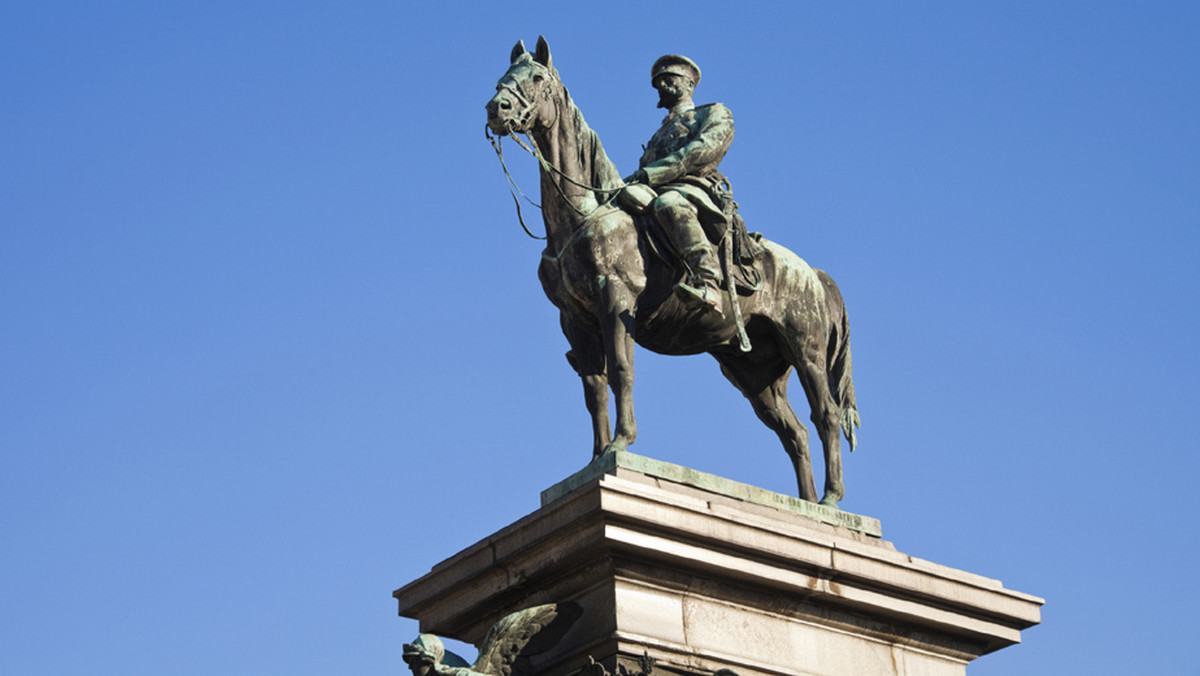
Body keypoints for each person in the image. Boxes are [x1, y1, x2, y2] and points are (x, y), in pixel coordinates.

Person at [622, 54, 735, 318]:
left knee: (669, 203)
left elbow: (701, 151)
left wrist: (651, 174)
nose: (661, 86)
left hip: (693, 188)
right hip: (654, 188)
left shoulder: (713, 113)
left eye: (668, 80)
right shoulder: (658, 134)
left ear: (688, 83)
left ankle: (707, 281)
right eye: (658, 82)